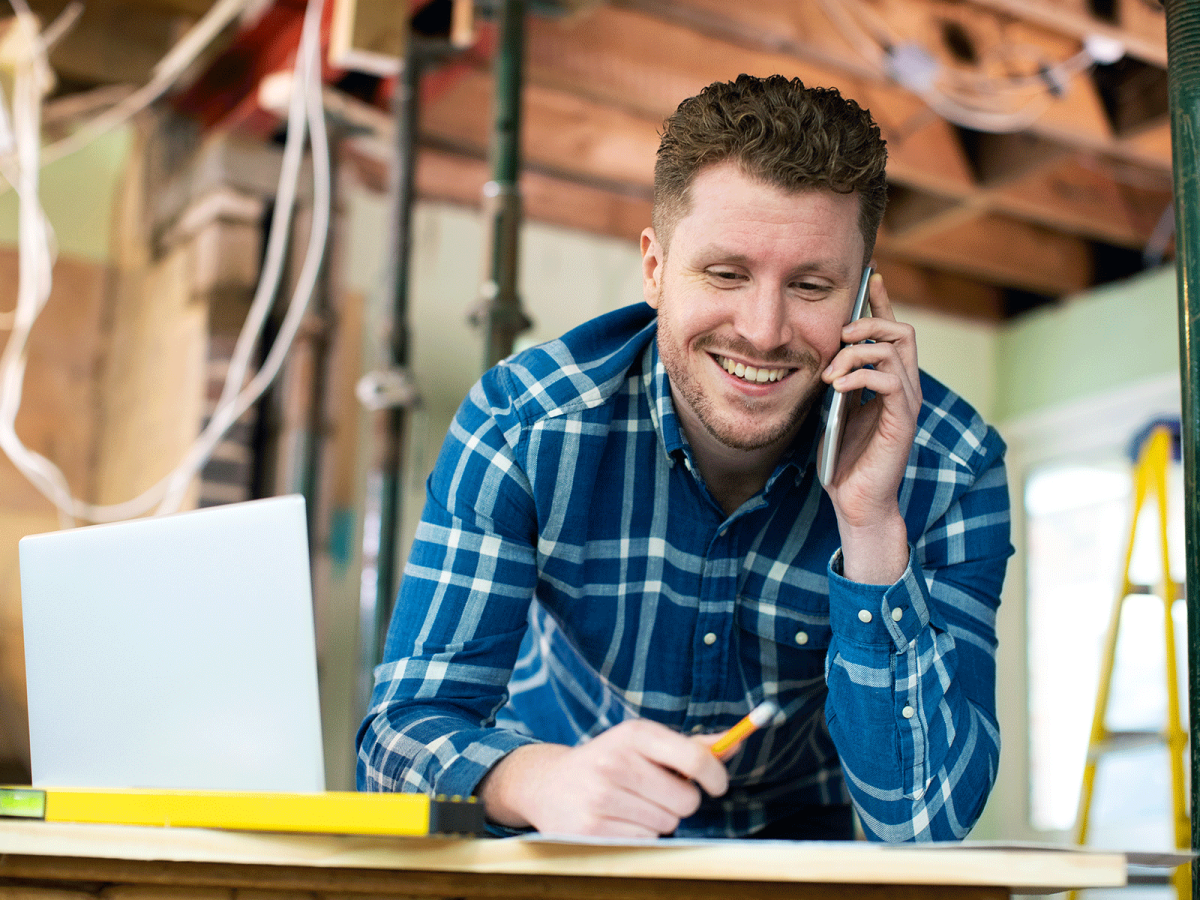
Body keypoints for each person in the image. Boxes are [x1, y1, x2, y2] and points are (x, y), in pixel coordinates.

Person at [356, 73, 1012, 842]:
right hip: (570, 828)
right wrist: (539, 780)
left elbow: (925, 824)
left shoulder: (950, 467)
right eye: (726, 274)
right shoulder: (521, 425)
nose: (764, 331)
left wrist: (871, 526)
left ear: (864, 300)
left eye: (810, 285)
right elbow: (397, 740)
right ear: (655, 269)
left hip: (798, 867)